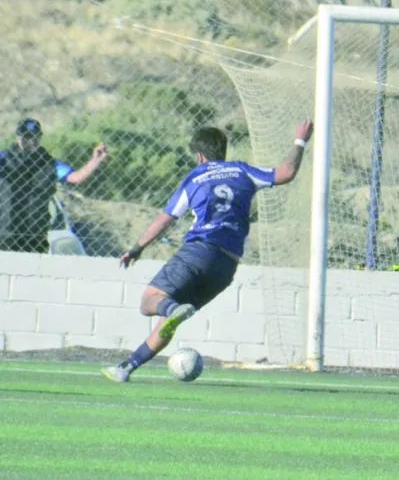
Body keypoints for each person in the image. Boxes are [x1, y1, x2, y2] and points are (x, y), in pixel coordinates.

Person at [101, 120, 312, 382]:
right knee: (168, 321)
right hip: (226, 266)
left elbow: (166, 219)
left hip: (199, 251)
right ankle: (126, 367)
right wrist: (300, 141)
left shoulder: (194, 178)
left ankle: (169, 309)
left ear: (199, 155)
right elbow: (286, 172)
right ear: (222, 151)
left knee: (149, 302)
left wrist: (137, 248)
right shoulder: (242, 171)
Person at [0, 118, 108, 253]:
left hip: (35, 234)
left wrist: (95, 161)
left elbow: (75, 178)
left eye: (35, 137)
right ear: (18, 137)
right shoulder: (4, 158)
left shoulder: (49, 163)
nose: (31, 141)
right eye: (27, 137)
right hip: (4, 231)